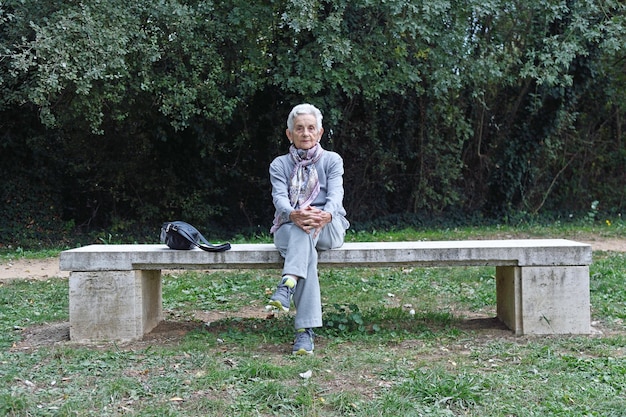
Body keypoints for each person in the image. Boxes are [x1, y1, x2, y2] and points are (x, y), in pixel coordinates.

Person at [267, 103, 350, 355]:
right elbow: (280, 199)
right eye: (299, 128)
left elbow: (336, 195)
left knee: (305, 229)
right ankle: (305, 332)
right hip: (289, 227)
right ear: (289, 134)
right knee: (303, 241)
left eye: (311, 128)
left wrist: (324, 214)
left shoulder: (332, 160)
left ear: (320, 132)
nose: (305, 133)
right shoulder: (279, 165)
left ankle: (287, 285)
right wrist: (294, 213)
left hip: (329, 227)